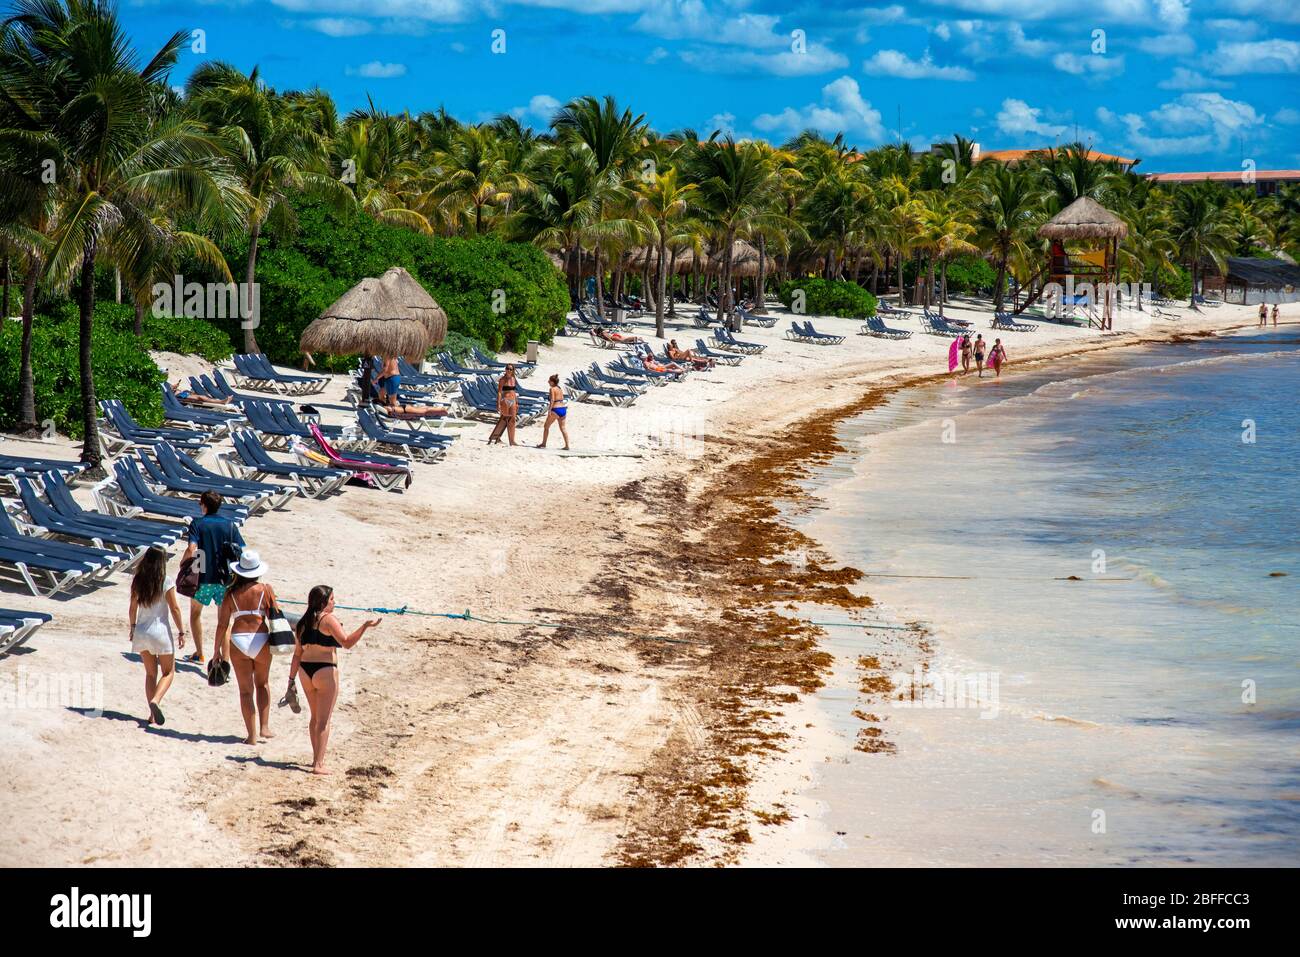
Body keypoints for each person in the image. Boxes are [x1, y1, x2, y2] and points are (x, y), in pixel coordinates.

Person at [286, 585, 381, 775]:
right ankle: (319, 765)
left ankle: (315, 759)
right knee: (324, 720)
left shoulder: (303, 622)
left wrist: (291, 679)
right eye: (331, 599)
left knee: (314, 718)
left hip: (305, 671)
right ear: (323, 603)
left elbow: (297, 654)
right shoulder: (328, 620)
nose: (334, 602)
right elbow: (346, 643)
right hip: (325, 670)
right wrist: (364, 627)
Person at [213, 551, 279, 745]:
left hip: (238, 640)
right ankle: (264, 727)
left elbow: (222, 625)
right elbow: (274, 613)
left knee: (245, 691)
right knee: (263, 684)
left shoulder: (231, 593)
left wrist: (216, 650)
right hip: (260, 637)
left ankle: (251, 736)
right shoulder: (266, 589)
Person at [180, 491, 244, 664]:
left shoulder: (198, 524)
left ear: (204, 505)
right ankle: (225, 660)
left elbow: (191, 548)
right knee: (224, 622)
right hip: (225, 580)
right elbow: (241, 550)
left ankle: (200, 654)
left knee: (195, 614)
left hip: (203, 578)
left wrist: (183, 564)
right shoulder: (230, 525)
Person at [128, 546, 186, 727]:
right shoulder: (166, 581)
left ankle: (152, 715)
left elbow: (132, 607)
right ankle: (156, 701)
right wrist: (182, 631)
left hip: (142, 631)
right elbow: (175, 608)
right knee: (168, 672)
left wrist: (132, 627)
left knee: (150, 674)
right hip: (160, 632)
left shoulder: (138, 580)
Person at [488, 363, 519, 446]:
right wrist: (498, 404)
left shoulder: (513, 379)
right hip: (505, 401)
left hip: (512, 400)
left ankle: (512, 440)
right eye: (507, 368)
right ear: (505, 369)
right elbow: (499, 392)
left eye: (510, 369)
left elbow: (514, 391)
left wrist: (516, 402)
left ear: (513, 371)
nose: (509, 370)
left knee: (512, 420)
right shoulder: (502, 379)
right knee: (503, 420)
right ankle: (497, 437)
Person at [537, 374, 570, 450]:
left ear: (553, 382)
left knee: (546, 426)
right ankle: (567, 445)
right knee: (563, 428)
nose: (548, 382)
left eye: (549, 381)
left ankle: (544, 443)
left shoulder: (552, 389)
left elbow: (552, 400)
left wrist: (549, 410)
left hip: (555, 409)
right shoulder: (559, 388)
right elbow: (561, 398)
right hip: (563, 409)